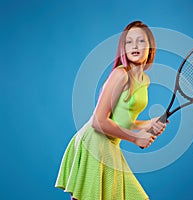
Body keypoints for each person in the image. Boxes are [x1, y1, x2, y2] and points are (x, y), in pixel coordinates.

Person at [55, 20, 167, 200]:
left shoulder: (145, 80)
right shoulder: (121, 74)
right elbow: (98, 121)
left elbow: (122, 120)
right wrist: (135, 137)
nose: (134, 45)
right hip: (95, 141)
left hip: (111, 144)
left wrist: (147, 124)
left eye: (141, 41)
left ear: (150, 47)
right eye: (129, 41)